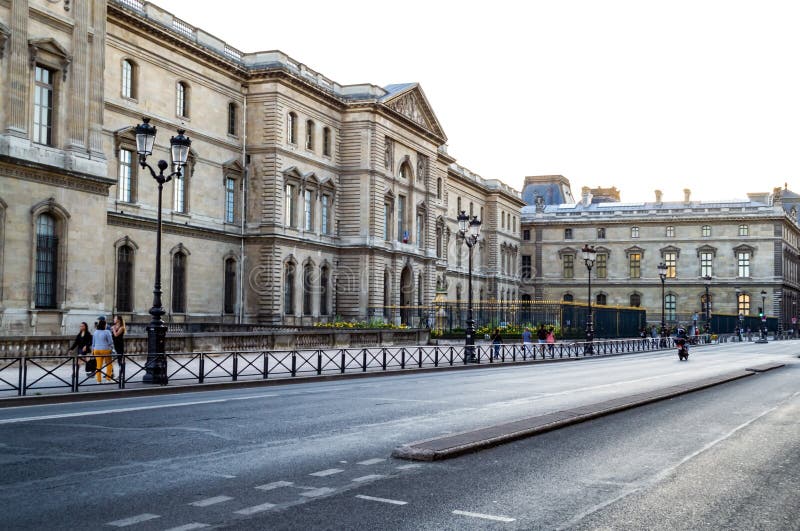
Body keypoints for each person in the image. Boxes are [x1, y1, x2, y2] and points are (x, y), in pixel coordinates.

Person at [91, 316, 115, 382]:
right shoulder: (107, 332)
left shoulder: (95, 332)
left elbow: (93, 343)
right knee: (109, 364)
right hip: (105, 349)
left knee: (98, 365)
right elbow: (110, 342)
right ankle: (108, 379)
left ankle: (99, 380)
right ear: (104, 325)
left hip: (96, 350)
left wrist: (92, 351)